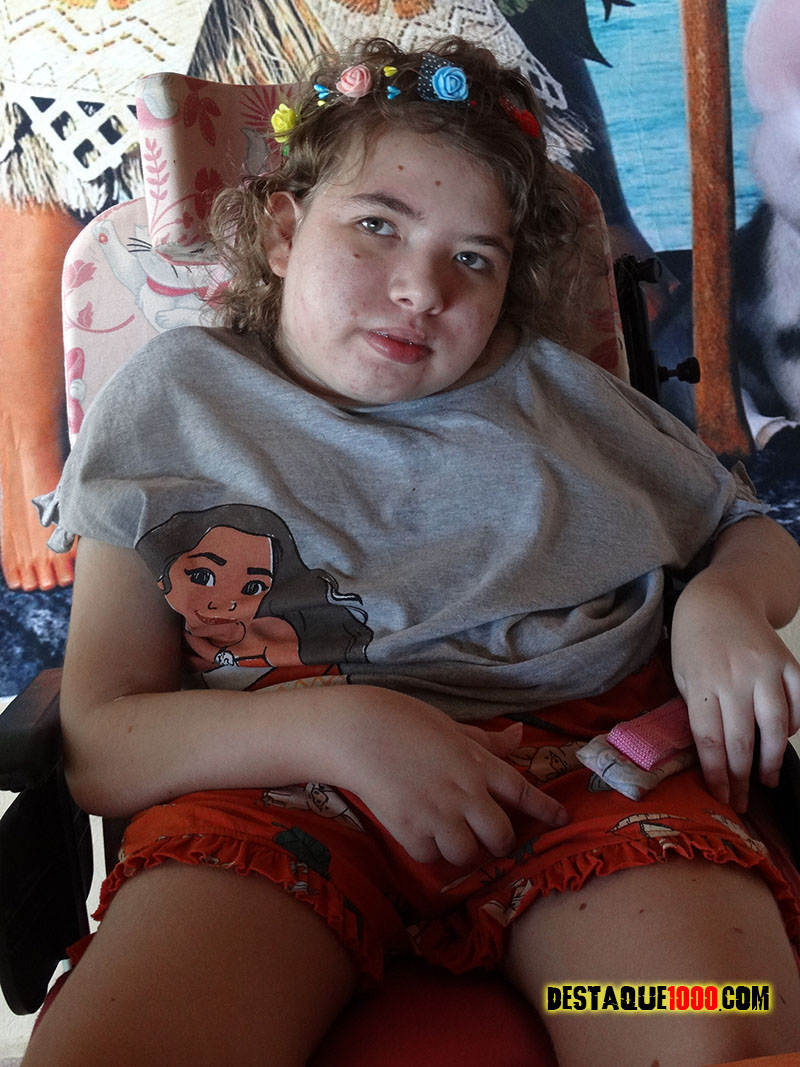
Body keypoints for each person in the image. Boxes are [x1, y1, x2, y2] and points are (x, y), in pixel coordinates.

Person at [22, 36, 800, 1067]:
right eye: (377, 225)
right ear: (284, 229)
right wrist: (341, 727)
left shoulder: (560, 402)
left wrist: (723, 604)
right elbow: (102, 740)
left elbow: (743, 530)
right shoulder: (175, 405)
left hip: (587, 793)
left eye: (471, 257)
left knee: (709, 1029)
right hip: (276, 796)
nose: (421, 288)